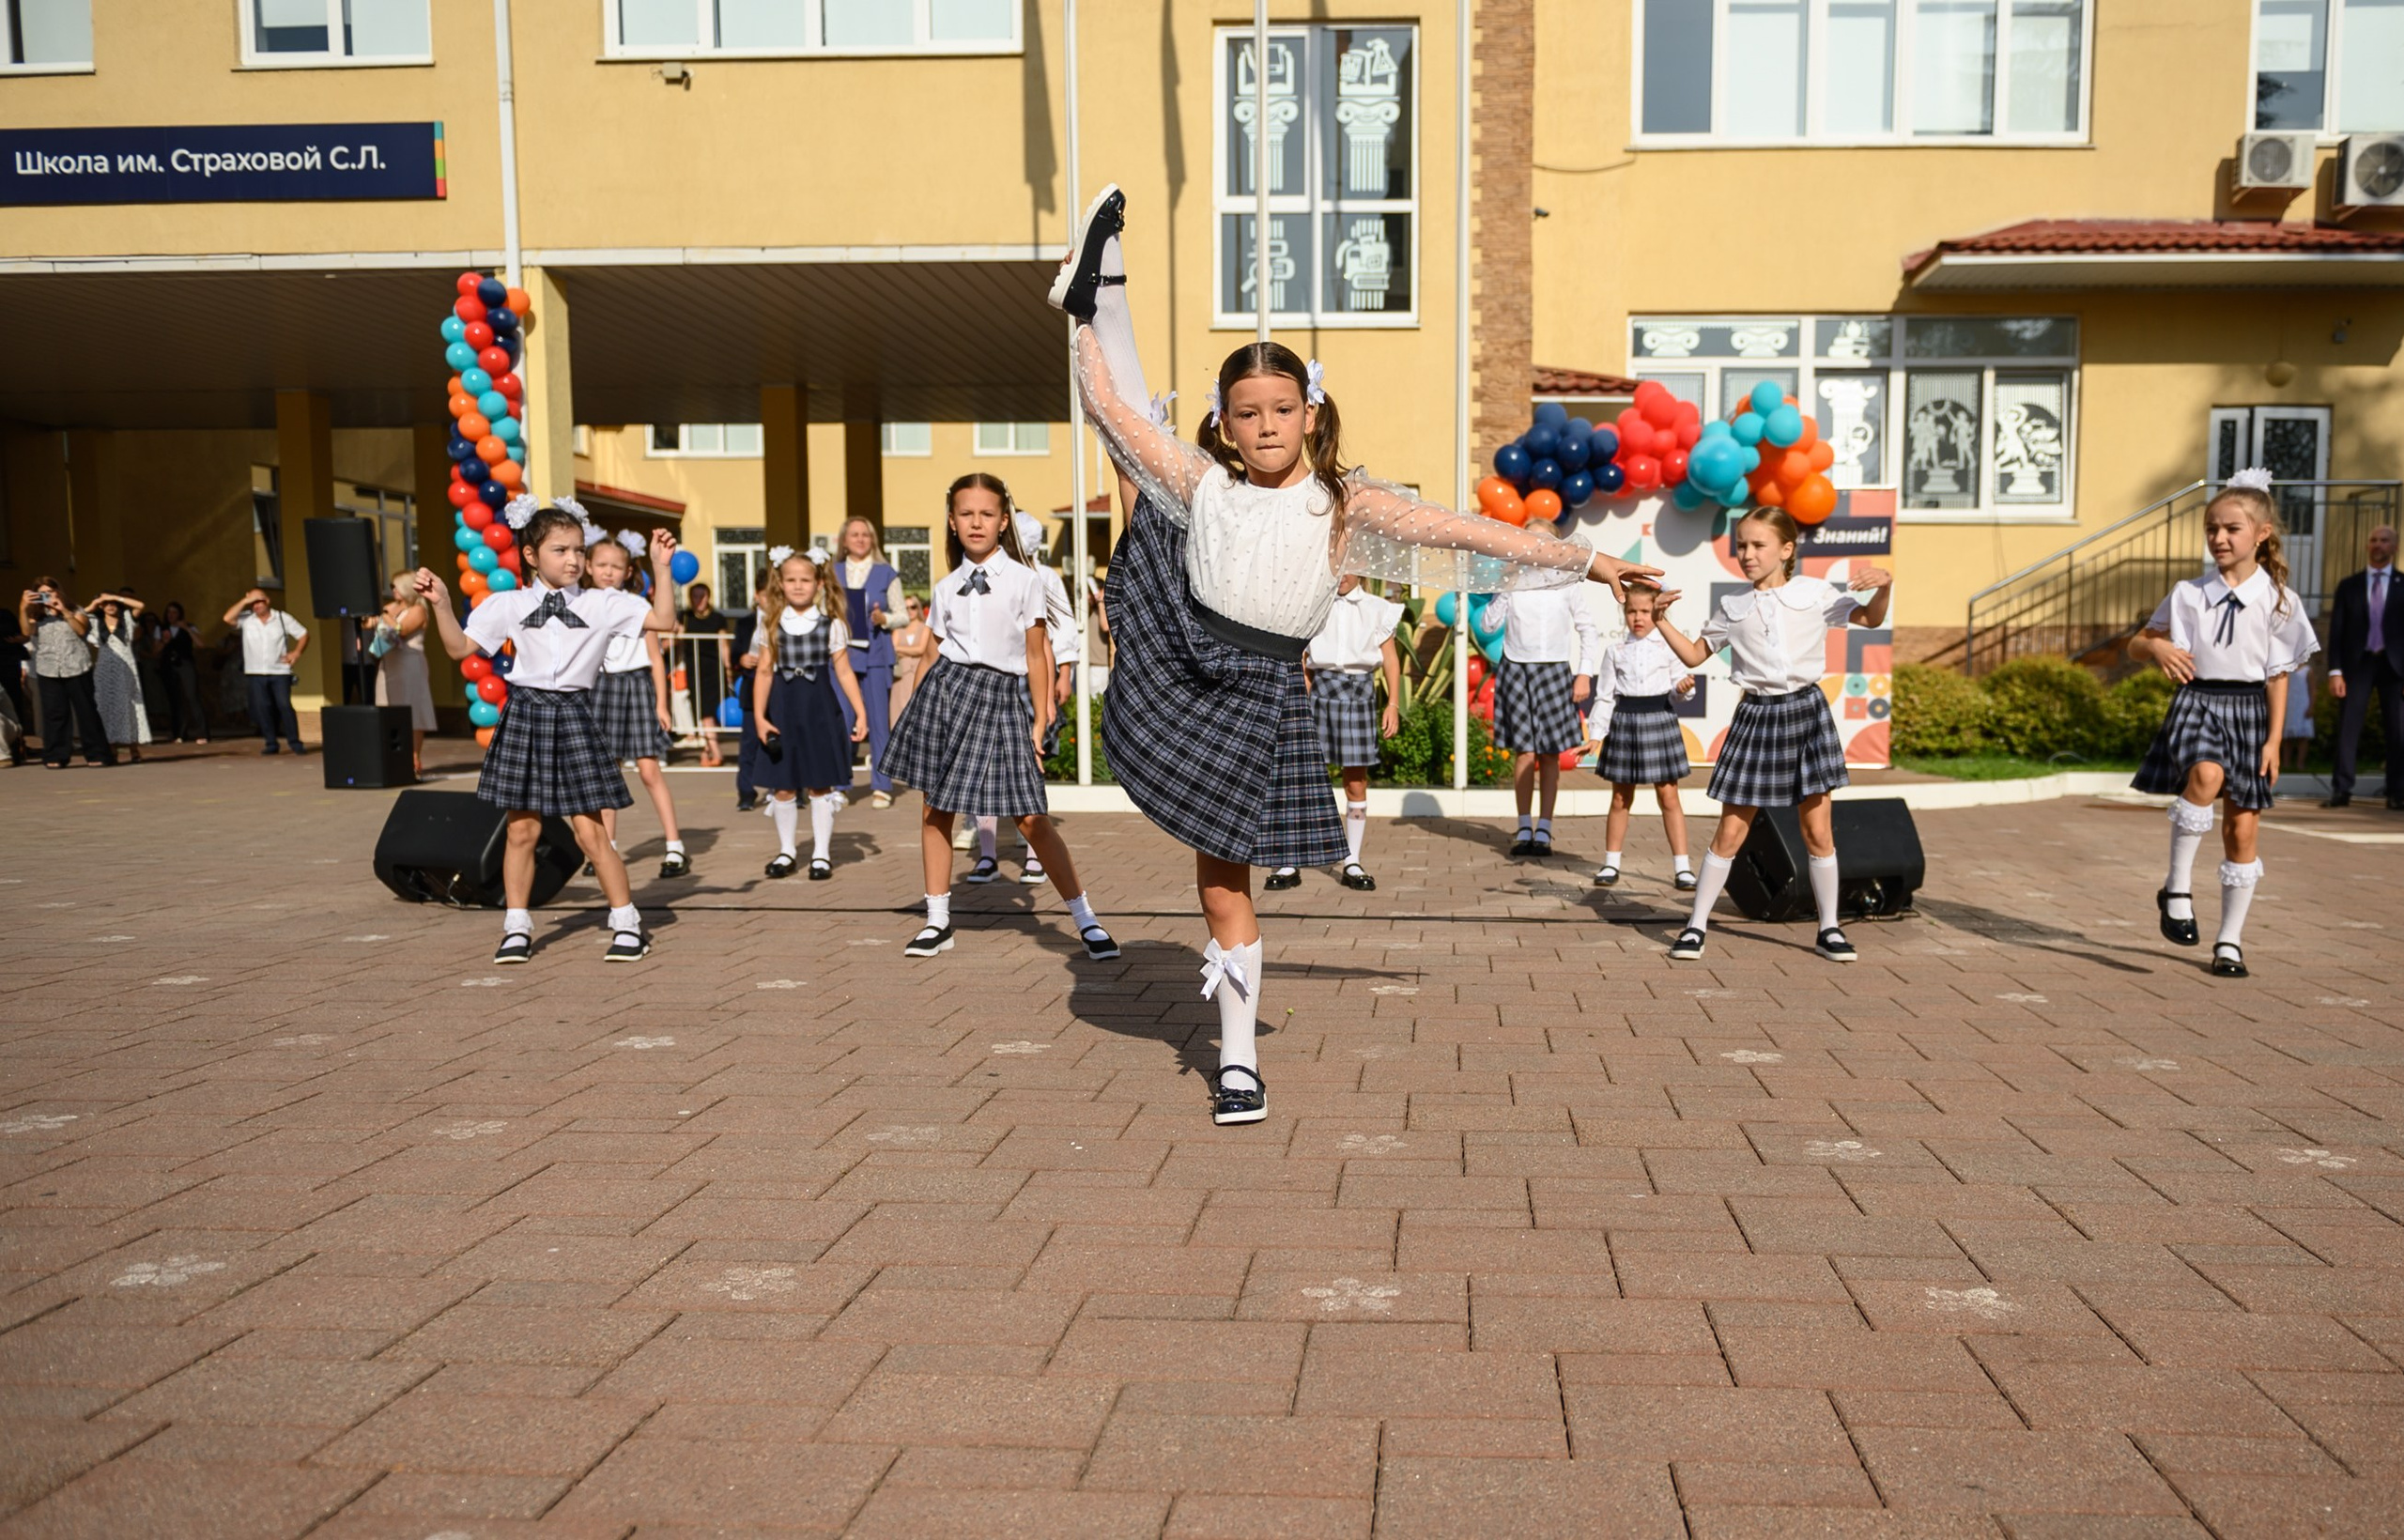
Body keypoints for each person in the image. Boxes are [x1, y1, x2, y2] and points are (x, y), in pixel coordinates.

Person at [1053, 183, 1655, 1123]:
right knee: (1215, 877)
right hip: (1185, 658)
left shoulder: (1345, 504)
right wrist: (1080, 324)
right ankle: (1102, 286)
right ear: (1224, 420)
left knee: (1229, 878)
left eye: (1280, 408)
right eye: (1245, 411)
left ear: (1309, 413)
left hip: (1262, 689)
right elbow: (1117, 421)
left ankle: (1239, 1055)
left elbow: (1473, 535)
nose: (1263, 425)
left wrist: (1595, 561)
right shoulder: (1203, 479)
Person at [417, 497, 684, 964]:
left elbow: (663, 620)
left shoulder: (604, 603)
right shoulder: (509, 603)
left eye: (579, 550)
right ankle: (516, 927)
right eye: (561, 550)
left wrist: (662, 569)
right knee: (521, 830)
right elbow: (459, 648)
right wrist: (440, 603)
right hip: (525, 715)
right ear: (530, 555)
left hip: (576, 715)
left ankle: (626, 923)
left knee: (591, 833)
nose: (574, 560)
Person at [879, 472, 1118, 963]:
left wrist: (1040, 717)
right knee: (935, 810)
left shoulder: (1027, 580)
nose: (976, 522)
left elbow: (1036, 655)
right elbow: (931, 654)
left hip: (1005, 697)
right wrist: (911, 712)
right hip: (948, 696)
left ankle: (1085, 918)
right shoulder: (944, 588)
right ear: (951, 521)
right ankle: (937, 920)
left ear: (1003, 520)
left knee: (1030, 815)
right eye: (966, 513)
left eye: (987, 513)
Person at [1647, 508, 1892, 964]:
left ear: (1786, 549)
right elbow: (1696, 655)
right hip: (1756, 717)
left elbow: (1871, 620)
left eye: (1758, 545)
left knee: (1817, 830)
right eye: (1741, 545)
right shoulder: (1732, 605)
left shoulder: (1816, 593)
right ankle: (1695, 926)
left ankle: (1829, 929)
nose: (1747, 554)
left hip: (1806, 712)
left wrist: (1885, 586)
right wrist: (1662, 621)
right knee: (1731, 831)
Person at [2128, 471, 2317, 978]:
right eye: (2212, 528)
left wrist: (2275, 741)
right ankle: (2178, 888)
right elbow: (2137, 643)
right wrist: (2158, 645)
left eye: (2231, 528)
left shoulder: (2279, 600)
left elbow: (2279, 678)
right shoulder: (2189, 593)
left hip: (2251, 712)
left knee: (2241, 830)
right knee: (2205, 777)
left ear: (2261, 533)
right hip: (2198, 701)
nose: (2219, 538)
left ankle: (2229, 941)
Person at [1269, 576, 1404, 892]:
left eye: (1350, 568)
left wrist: (1393, 704)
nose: (1342, 575)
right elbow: (1302, 656)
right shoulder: (1313, 603)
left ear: (1361, 569)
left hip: (1359, 693)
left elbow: (1391, 660)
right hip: (1320, 690)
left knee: (1355, 781)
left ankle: (1352, 859)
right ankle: (1290, 859)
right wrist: (1302, 688)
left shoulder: (1377, 608)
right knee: (1301, 776)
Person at [969, 510, 1079, 886]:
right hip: (988, 684)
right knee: (982, 769)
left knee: (1030, 769)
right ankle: (986, 855)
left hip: (1027, 687)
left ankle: (1036, 856)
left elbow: (1054, 636)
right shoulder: (983, 576)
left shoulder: (1041, 578)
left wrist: (1062, 676)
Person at [751, 547, 871, 878]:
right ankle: (787, 851)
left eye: (805, 579)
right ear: (780, 583)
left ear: (819, 583)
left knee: (820, 784)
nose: (799, 585)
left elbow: (844, 671)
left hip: (819, 710)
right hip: (782, 710)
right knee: (783, 785)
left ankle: (820, 854)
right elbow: (763, 671)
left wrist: (861, 714)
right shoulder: (770, 624)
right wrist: (760, 717)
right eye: (791, 580)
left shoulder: (831, 624)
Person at [586, 530, 692, 879]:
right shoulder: (582, 603)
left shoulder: (637, 606)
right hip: (601, 689)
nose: (608, 571)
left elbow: (656, 659)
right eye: (601, 564)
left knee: (649, 769)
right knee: (606, 772)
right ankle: (606, 848)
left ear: (629, 571)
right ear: (588, 566)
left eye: (616, 566)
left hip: (636, 686)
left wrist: (662, 705)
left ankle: (674, 845)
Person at [1487, 548, 1602, 859]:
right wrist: (1504, 590)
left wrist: (1584, 673)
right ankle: (1524, 826)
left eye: (1545, 544)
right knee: (1525, 751)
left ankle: (1545, 827)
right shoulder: (1514, 583)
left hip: (1554, 669)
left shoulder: (1567, 584)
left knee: (1550, 753)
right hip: (1517, 668)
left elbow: (1587, 629)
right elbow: (1487, 625)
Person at [1589, 583, 1698, 890]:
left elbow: (1679, 687)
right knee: (1621, 797)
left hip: (1660, 719)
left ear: (1657, 612)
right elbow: (1605, 696)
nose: (1638, 617)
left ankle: (1682, 868)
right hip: (1625, 723)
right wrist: (1596, 735)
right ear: (1624, 613)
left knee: (1668, 796)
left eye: (1645, 611)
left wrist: (1684, 688)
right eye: (1631, 611)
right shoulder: (1614, 651)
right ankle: (1611, 863)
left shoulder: (1668, 647)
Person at [2323, 524, 2400, 809]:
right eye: (2373, 540)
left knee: (2398, 730)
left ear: (2394, 547)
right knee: (2348, 728)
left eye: (2384, 541)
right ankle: (2341, 790)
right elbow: (2337, 632)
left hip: (2396, 668)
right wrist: (2335, 671)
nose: (2377, 545)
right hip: (2358, 664)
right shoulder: (2349, 585)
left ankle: (2398, 792)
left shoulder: (2403, 585)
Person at [832, 517, 907, 808]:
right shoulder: (831, 572)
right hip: (841, 656)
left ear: (872, 540)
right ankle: (839, 783)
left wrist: (884, 618)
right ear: (844, 540)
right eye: (855, 534)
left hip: (876, 655)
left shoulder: (886, 573)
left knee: (878, 721)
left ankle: (882, 785)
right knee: (843, 719)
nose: (861, 539)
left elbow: (902, 614)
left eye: (866, 534)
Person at [22, 578, 112, 768]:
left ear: (58, 592)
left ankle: (97, 753)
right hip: (49, 668)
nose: (48, 595)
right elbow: (27, 631)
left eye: (51, 591)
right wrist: (23, 607)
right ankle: (56, 755)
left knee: (86, 711)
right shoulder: (37, 614)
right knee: (55, 714)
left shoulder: (76, 610)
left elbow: (81, 630)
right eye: (42, 593)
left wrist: (63, 610)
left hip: (77, 666)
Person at [362, 572, 435, 776]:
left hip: (410, 664)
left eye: (396, 586)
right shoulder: (392, 607)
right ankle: (392, 757)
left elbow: (402, 630)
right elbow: (368, 624)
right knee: (386, 706)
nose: (393, 590)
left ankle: (413, 758)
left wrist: (384, 615)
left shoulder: (418, 609)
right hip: (389, 663)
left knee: (412, 709)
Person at [223, 588, 308, 755]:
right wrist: (244, 601)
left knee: (284, 705)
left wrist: (296, 653)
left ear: (267, 601)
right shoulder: (247, 619)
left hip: (280, 671)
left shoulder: (282, 618)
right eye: (253, 603)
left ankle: (295, 742)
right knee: (263, 707)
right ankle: (271, 743)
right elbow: (227, 618)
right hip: (255, 671)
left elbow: (303, 634)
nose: (256, 606)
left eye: (258, 601)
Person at [85, 591, 151, 762]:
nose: (109, 606)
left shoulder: (127, 619)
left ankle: (134, 748)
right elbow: (82, 613)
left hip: (126, 666)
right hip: (105, 668)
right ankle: (111, 748)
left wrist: (116, 597)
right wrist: (97, 601)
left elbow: (140, 605)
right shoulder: (95, 622)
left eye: (112, 603)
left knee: (129, 705)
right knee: (106, 706)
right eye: (105, 604)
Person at [731, 570, 774, 812]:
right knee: (749, 743)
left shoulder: (784, 620)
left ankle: (791, 789)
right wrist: (742, 658)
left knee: (783, 739)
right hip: (751, 685)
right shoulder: (745, 622)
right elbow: (736, 651)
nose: (770, 600)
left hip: (777, 686)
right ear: (758, 596)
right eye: (766, 595)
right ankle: (746, 792)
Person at [678, 580, 730, 768]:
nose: (698, 600)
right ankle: (714, 751)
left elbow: (723, 644)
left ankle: (708, 750)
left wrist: (729, 667)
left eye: (702, 596)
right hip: (694, 669)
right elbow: (677, 641)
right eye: (695, 596)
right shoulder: (685, 616)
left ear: (708, 598)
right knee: (703, 711)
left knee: (710, 712)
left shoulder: (717, 618)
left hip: (714, 669)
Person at [154, 601, 209, 744]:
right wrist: (164, 642)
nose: (171, 615)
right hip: (169, 665)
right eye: (169, 612)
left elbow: (201, 644)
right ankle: (179, 732)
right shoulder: (160, 628)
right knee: (174, 699)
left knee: (192, 696)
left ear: (180, 614)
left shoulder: (190, 627)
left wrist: (187, 629)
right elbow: (155, 651)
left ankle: (202, 732)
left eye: (174, 612)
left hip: (185, 664)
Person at [889, 592, 934, 723]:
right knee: (897, 712)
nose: (910, 611)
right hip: (900, 677)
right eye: (906, 608)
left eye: (913, 607)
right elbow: (893, 649)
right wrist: (911, 651)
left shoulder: (925, 627)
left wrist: (900, 650)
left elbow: (921, 649)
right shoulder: (898, 629)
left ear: (918, 607)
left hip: (919, 674)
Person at [0, 611, 29, 765]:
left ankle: (14, 750)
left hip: (8, 667)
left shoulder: (6, 616)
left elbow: (25, 636)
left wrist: (23, 608)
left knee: (14, 708)